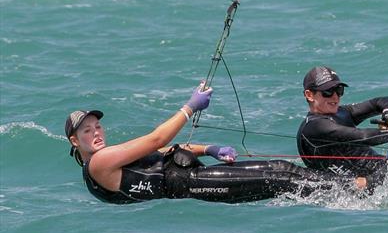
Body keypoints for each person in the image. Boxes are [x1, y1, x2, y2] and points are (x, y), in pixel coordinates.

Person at [67, 82, 324, 204]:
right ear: (75, 141)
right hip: (193, 185)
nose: (97, 133)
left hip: (196, 174)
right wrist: (190, 107)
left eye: (98, 126)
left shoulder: (111, 155)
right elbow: (158, 138)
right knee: (281, 179)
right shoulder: (98, 163)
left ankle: (346, 186)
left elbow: (161, 150)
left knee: (281, 168)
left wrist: (209, 149)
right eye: (87, 131)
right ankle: (348, 191)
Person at [296, 66, 388, 189]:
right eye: (327, 92)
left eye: (339, 90)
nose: (335, 97)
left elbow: (379, 102)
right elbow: (363, 137)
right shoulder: (313, 126)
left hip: (383, 172)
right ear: (309, 95)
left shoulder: (342, 112)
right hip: (359, 189)